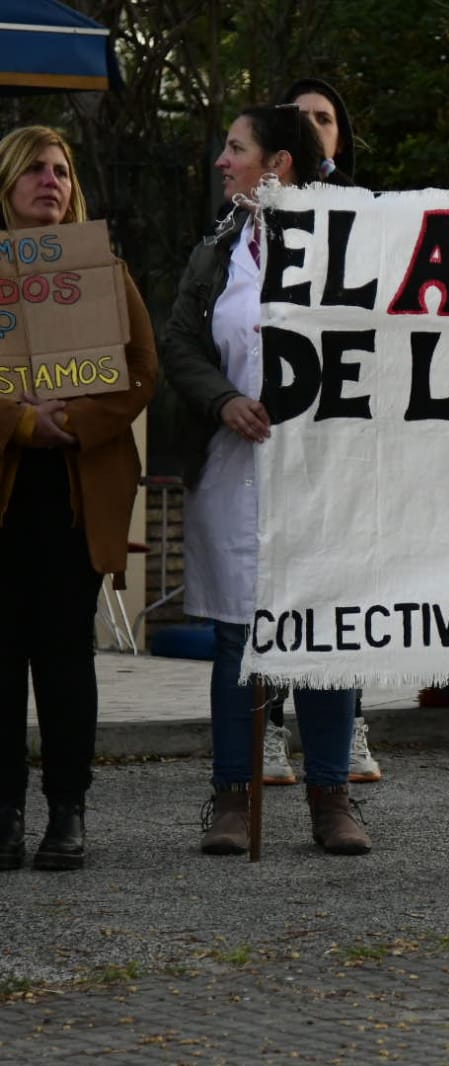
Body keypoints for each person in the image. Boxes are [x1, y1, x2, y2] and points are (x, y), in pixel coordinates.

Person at [160, 104, 369, 857]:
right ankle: (231, 796)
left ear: (277, 163)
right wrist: (222, 398)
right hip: (234, 470)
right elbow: (179, 341)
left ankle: (330, 795)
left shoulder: (354, 243)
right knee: (235, 639)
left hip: (325, 477)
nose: (222, 161)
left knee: (324, 631)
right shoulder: (217, 252)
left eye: (235, 148)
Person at [0, 127, 158, 871]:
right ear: (6, 182)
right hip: (4, 493)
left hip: (74, 499)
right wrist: (25, 422)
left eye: (61, 170)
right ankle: (3, 816)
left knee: (65, 660)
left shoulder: (106, 271)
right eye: (33, 169)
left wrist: (73, 424)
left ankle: (68, 814)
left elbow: (139, 371)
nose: (50, 181)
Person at [258, 77, 380, 786]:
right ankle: (268, 729)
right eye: (297, 119)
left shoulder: (365, 213)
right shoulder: (250, 218)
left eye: (324, 119)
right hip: (273, 437)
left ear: (341, 136)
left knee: (343, 586)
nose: (311, 129)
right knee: (270, 588)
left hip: (341, 440)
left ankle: (347, 725)